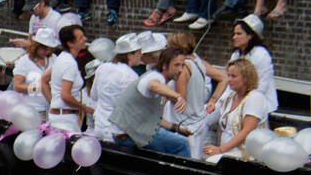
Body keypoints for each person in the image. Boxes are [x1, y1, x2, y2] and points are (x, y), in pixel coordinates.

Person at [109, 45, 194, 155]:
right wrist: (177, 96)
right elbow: (153, 85)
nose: (181, 70)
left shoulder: (155, 78)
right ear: (164, 65)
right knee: (182, 144)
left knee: (170, 142)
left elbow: (154, 120)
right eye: (176, 65)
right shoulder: (155, 77)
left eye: (182, 65)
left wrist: (177, 129)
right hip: (128, 136)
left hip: (127, 134)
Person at [165, 29, 221, 157]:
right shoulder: (199, 62)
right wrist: (213, 99)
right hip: (198, 120)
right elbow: (223, 78)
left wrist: (163, 92)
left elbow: (180, 100)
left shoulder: (183, 68)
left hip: (182, 125)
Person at [206, 13, 275, 112]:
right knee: (208, 112)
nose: (234, 37)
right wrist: (218, 103)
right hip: (236, 100)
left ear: (250, 35)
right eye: (234, 34)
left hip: (258, 104)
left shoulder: (261, 54)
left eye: (239, 34)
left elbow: (261, 87)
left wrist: (239, 105)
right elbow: (230, 84)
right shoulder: (235, 55)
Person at [204, 57, 268, 158]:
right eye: (228, 75)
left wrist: (220, 150)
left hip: (245, 155)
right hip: (226, 152)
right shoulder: (230, 97)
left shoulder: (255, 98)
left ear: (246, 78)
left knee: (211, 162)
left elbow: (246, 131)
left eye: (233, 76)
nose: (229, 79)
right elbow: (211, 113)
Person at [90, 31, 141, 138]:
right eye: (139, 52)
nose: (141, 55)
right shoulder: (131, 75)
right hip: (117, 131)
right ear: (130, 55)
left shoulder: (102, 67)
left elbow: (94, 95)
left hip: (99, 126)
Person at [48, 22, 90, 130]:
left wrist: (53, 102)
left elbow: (44, 79)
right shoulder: (70, 63)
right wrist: (83, 107)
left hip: (59, 115)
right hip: (65, 119)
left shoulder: (61, 58)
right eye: (81, 37)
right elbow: (65, 95)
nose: (85, 39)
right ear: (70, 43)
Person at [11, 24, 57, 114]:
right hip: (30, 110)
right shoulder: (24, 61)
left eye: (49, 49)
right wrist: (39, 88)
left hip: (49, 110)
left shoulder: (54, 59)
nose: (47, 52)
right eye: (44, 49)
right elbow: (17, 86)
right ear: (36, 46)